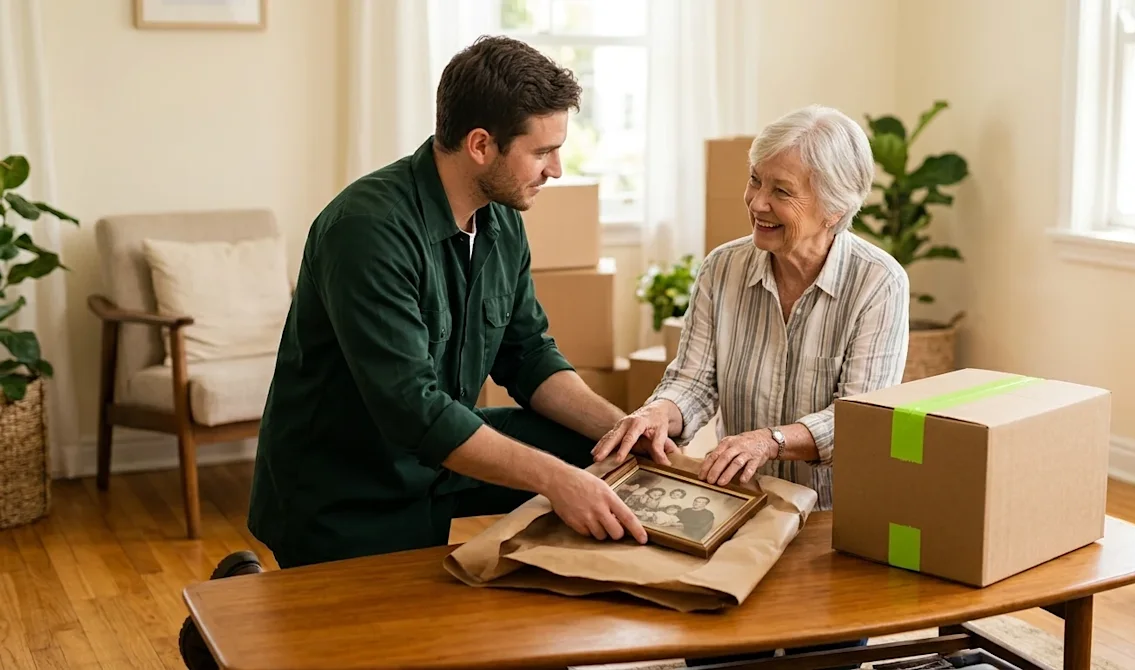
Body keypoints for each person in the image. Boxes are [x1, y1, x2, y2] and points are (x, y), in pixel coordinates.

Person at [244, 35, 677, 570]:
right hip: (346, 490)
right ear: (480, 145)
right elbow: (415, 412)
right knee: (384, 646)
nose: (557, 169)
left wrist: (622, 431)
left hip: (438, 464)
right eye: (542, 151)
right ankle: (244, 598)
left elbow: (528, 355)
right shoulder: (365, 231)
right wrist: (558, 481)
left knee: (594, 450)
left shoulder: (502, 221)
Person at [593, 104, 910, 666]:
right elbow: (691, 381)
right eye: (754, 180)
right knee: (721, 657)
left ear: (835, 207)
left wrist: (770, 440)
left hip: (833, 527)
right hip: (738, 511)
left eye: (780, 190)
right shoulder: (722, 268)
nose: (757, 201)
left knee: (825, 660)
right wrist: (656, 413)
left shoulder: (879, 282)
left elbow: (862, 418)